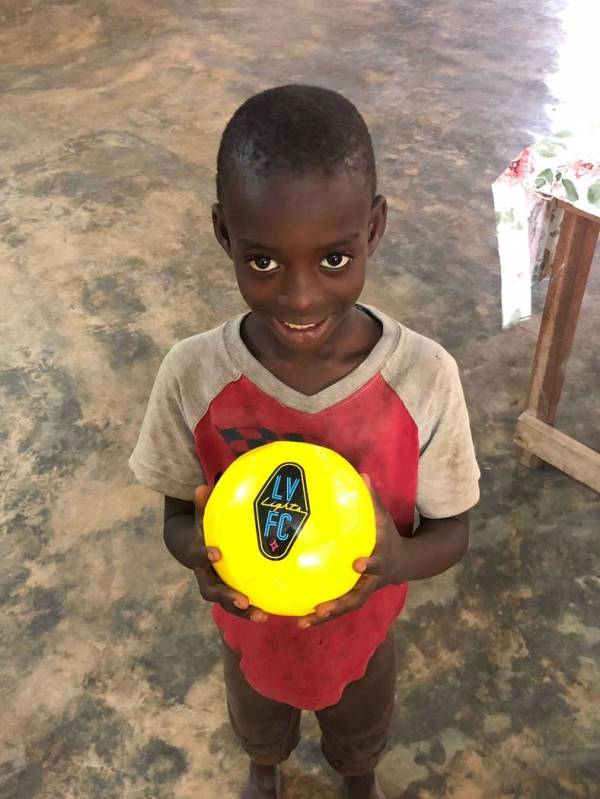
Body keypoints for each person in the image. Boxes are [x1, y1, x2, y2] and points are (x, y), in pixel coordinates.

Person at [129, 84, 480, 799]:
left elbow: (454, 532)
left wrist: (396, 559)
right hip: (250, 631)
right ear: (224, 233)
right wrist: (194, 552)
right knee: (258, 718)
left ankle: (358, 776)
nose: (300, 297)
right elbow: (175, 515)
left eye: (333, 259)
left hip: (363, 633)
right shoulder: (193, 375)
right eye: (262, 261)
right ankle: (266, 766)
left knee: (360, 728)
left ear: (373, 230)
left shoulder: (424, 377)